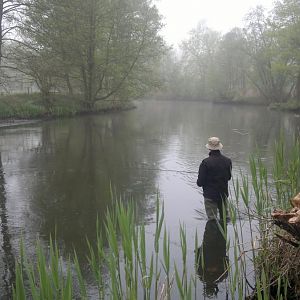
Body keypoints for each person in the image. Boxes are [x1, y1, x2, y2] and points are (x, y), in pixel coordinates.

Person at [197, 137, 232, 221]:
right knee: (225, 219)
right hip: (223, 194)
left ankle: (213, 233)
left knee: (212, 220)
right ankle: (224, 232)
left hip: (210, 196)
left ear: (209, 148)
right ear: (219, 147)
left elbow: (200, 183)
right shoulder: (228, 161)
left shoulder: (205, 162)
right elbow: (229, 177)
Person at [196, 220, 229, 298]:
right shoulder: (202, 276)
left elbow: (226, 261)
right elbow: (198, 261)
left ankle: (219, 215)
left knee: (220, 224)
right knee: (215, 223)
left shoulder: (221, 277)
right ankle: (219, 215)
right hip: (212, 247)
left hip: (218, 247)